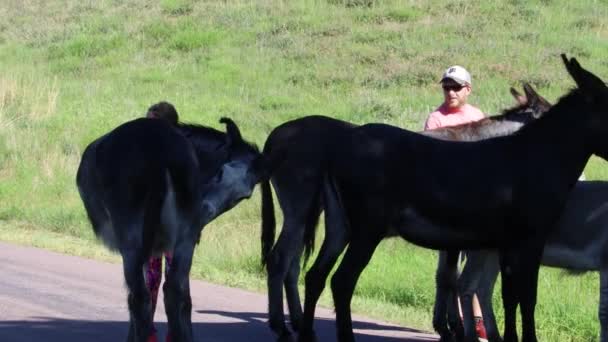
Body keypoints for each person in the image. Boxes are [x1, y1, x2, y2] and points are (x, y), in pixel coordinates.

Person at [423, 65, 488, 340]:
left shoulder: (478, 117)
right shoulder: (435, 119)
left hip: (475, 203)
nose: (450, 92)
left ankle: (477, 319)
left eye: (456, 87)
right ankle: (446, 318)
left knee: (475, 264)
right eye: (446, 87)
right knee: (448, 266)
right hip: (446, 203)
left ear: (468, 90)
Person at [144, 101, 179, 342]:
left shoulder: (182, 152)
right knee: (151, 281)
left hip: (175, 228)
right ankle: (148, 331)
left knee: (175, 283)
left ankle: (174, 333)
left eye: (153, 122)